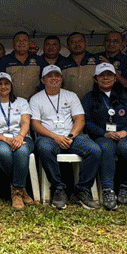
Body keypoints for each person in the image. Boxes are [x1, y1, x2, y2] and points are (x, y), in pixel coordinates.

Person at [29, 65, 101, 209]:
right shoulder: (36, 99)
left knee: (94, 150)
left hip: (72, 135)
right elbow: (35, 124)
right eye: (50, 76)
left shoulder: (71, 95)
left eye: (57, 75)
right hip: (49, 137)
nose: (54, 79)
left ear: (62, 79)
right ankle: (58, 188)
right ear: (43, 80)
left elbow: (80, 119)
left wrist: (71, 136)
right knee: (44, 148)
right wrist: (55, 137)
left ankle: (82, 190)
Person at [82, 62, 127, 210]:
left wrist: (126, 131)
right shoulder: (89, 97)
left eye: (109, 75)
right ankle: (108, 190)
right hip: (104, 135)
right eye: (101, 75)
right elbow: (87, 121)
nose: (106, 78)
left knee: (126, 148)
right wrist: (103, 133)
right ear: (95, 78)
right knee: (105, 149)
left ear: (115, 78)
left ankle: (126, 186)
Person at [0, 72, 34, 209]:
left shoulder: (22, 102)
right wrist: (6, 139)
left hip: (21, 137)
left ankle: (16, 191)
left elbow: (26, 122)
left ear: (11, 86)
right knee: (4, 152)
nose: (3, 87)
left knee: (22, 151)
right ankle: (20, 189)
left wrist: (20, 137)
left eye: (6, 83)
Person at [0, 31, 43, 100]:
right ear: (13, 44)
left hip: (35, 101)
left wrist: (36, 95)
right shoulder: (4, 60)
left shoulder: (39, 60)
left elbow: (45, 80)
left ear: (29, 43)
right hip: (11, 101)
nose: (21, 43)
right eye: (18, 40)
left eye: (24, 40)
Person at [62, 32, 98, 99]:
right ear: (68, 46)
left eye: (80, 41)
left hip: (93, 102)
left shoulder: (97, 60)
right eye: (73, 42)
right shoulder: (62, 63)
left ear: (85, 43)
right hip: (69, 102)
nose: (77, 44)